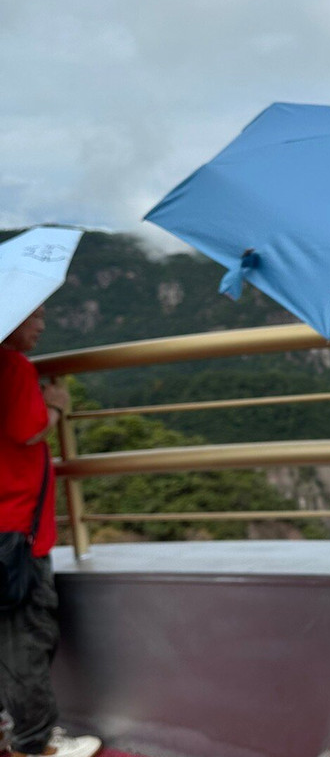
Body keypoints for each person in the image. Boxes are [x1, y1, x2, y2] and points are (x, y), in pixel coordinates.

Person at [0, 306, 102, 757]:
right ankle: (35, 743)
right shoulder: (12, 365)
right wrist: (57, 408)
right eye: (34, 316)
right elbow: (28, 430)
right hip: (15, 529)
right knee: (26, 637)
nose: (42, 325)